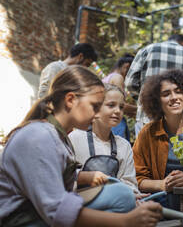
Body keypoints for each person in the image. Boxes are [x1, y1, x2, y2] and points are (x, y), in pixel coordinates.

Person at [0, 66, 162, 226]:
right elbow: (56, 210)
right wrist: (126, 221)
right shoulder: (38, 136)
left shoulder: (57, 136)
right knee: (122, 197)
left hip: (39, 215)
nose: (98, 114)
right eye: (95, 106)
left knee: (122, 194)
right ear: (70, 100)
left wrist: (81, 176)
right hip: (22, 220)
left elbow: (47, 172)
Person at [132, 69, 183, 210]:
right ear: (157, 101)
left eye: (178, 91)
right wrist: (163, 184)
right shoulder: (147, 133)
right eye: (166, 94)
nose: (174, 97)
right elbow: (137, 179)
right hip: (162, 202)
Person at [125, 34, 183, 136]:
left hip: (148, 118)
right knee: (179, 151)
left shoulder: (147, 50)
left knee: (146, 150)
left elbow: (130, 83)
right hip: (181, 123)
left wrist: (147, 99)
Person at [69, 83, 140, 194]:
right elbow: (65, 178)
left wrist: (133, 195)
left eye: (121, 107)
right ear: (96, 108)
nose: (117, 111)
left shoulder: (124, 145)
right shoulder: (75, 138)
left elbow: (130, 184)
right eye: (111, 105)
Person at [103, 54, 137, 141]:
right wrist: (139, 110)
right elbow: (120, 105)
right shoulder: (118, 78)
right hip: (115, 122)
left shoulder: (108, 77)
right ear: (127, 66)